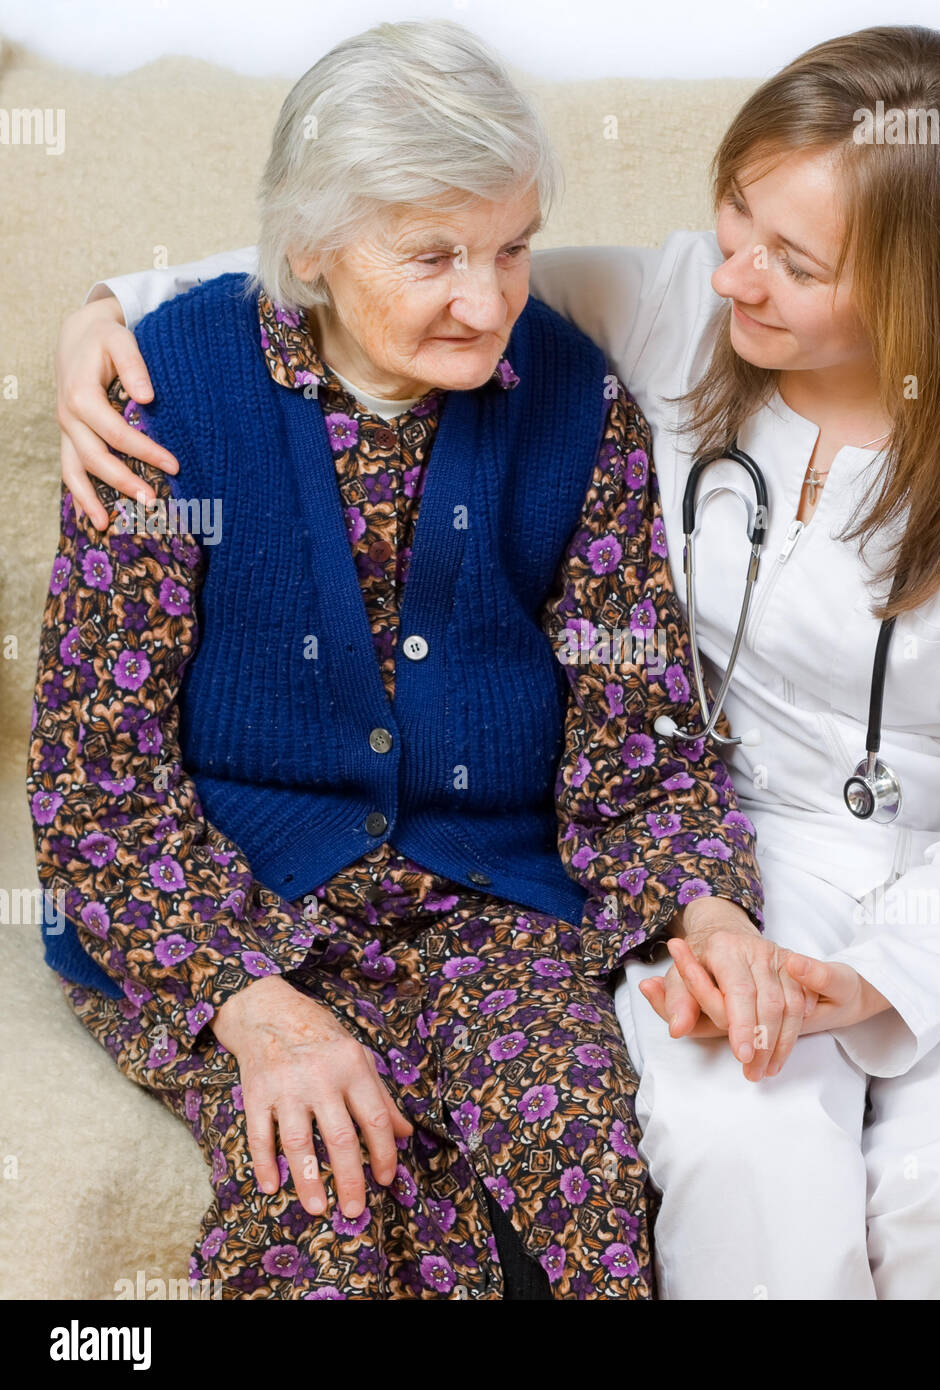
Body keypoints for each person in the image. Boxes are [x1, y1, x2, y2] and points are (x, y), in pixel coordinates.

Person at [50, 25, 940, 1300]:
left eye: (793, 263)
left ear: (926, 291)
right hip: (749, 854)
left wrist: (828, 967)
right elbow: (363, 244)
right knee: (732, 1151)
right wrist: (111, 308)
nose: (736, 274)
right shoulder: (676, 306)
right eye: (736, 219)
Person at [26, 19, 770, 1301]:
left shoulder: (572, 400)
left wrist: (705, 903)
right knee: (329, 1197)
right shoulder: (169, 401)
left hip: (487, 899)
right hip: (238, 902)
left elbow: (632, 720)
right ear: (311, 248)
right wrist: (249, 1004)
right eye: (433, 255)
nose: (489, 302)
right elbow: (97, 777)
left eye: (515, 247)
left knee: (571, 1165)